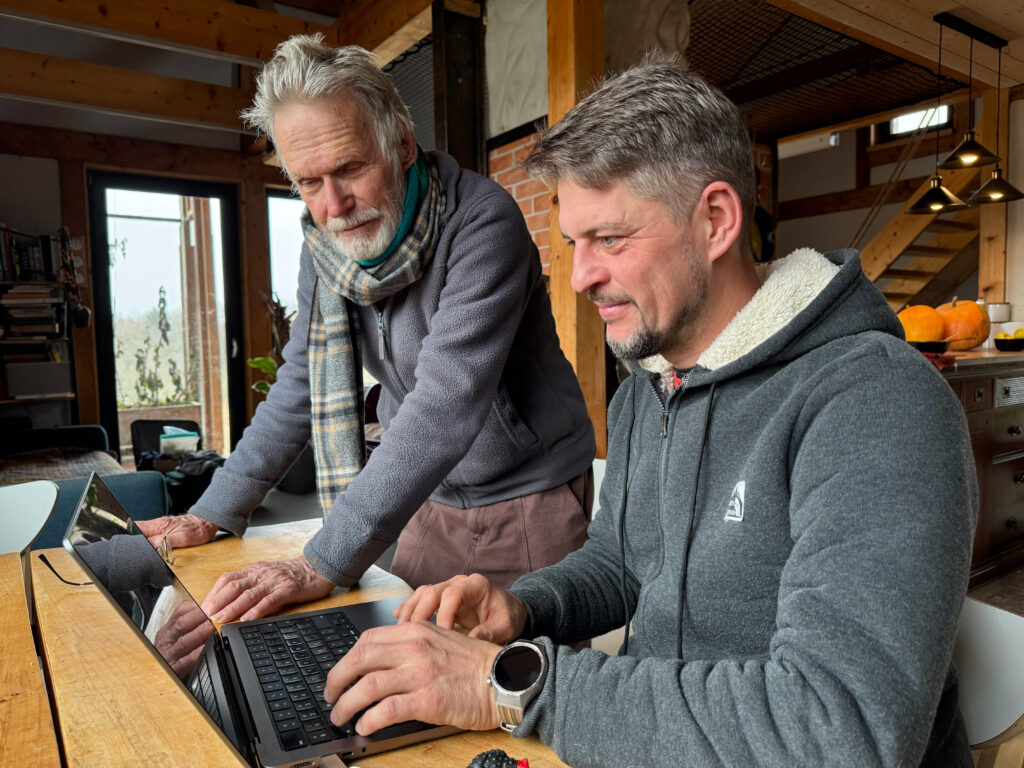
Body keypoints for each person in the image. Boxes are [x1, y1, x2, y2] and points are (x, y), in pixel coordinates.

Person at [320, 55, 978, 767]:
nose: (581, 277)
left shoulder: (877, 401)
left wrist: (513, 685)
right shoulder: (647, 387)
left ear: (716, 221)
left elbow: (841, 730)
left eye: (610, 239)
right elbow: (623, 564)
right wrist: (525, 608)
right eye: (574, 244)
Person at [138, 34, 596, 624]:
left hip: (530, 495)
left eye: (350, 168)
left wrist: (320, 561)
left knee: (517, 674)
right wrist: (212, 511)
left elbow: (443, 406)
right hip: (429, 496)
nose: (334, 206)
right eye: (308, 182)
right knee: (402, 659)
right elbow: (299, 385)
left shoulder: (484, 223)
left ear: (401, 144)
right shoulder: (326, 250)